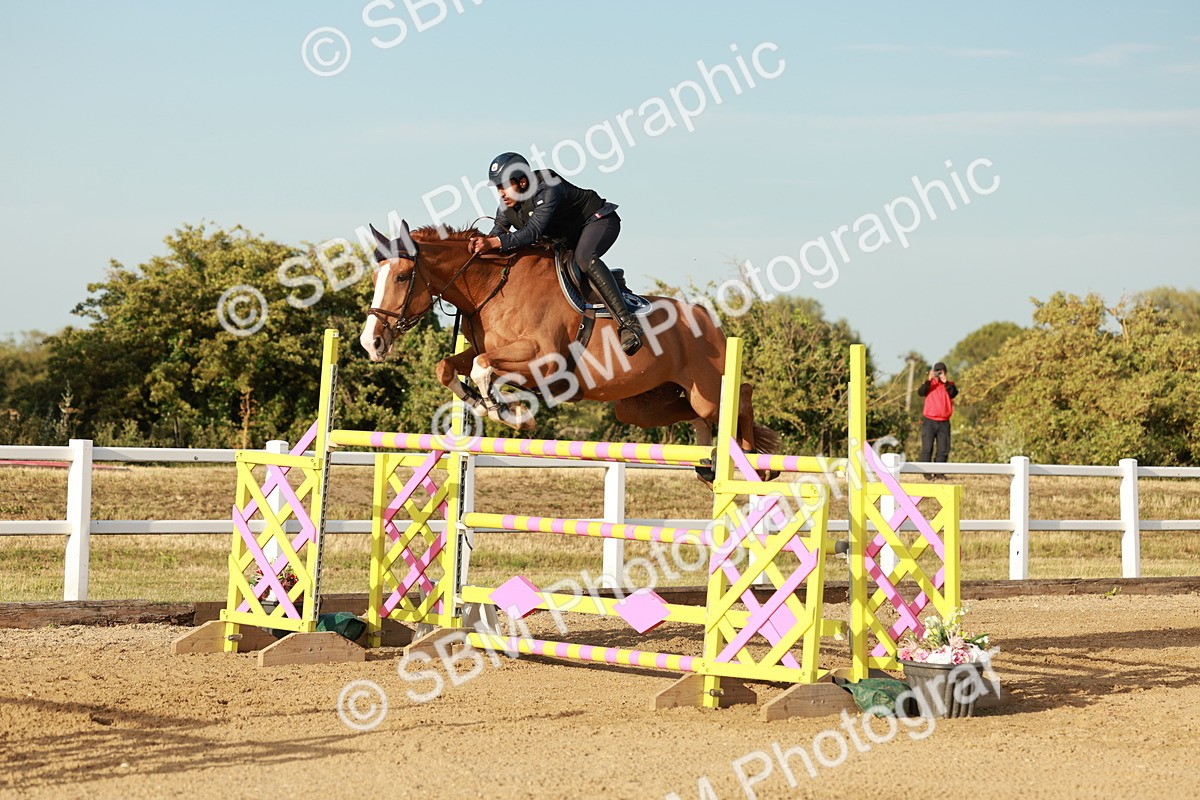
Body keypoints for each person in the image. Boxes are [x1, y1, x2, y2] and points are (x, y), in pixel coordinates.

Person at [468, 152, 645, 355]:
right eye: (498, 187)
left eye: (504, 186)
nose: (501, 193)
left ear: (523, 181)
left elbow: (532, 232)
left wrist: (493, 242)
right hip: (569, 238)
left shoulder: (548, 187)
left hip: (598, 220)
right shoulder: (506, 207)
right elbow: (497, 237)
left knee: (584, 257)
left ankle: (628, 323)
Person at [917, 361, 958, 477]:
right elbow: (921, 392)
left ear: (945, 372)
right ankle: (926, 473)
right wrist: (929, 380)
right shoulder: (929, 385)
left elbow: (954, 393)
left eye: (941, 372)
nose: (939, 374)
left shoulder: (949, 385)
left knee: (943, 449)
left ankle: (940, 473)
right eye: (937, 372)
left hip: (944, 422)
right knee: (927, 447)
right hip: (929, 421)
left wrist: (945, 382)